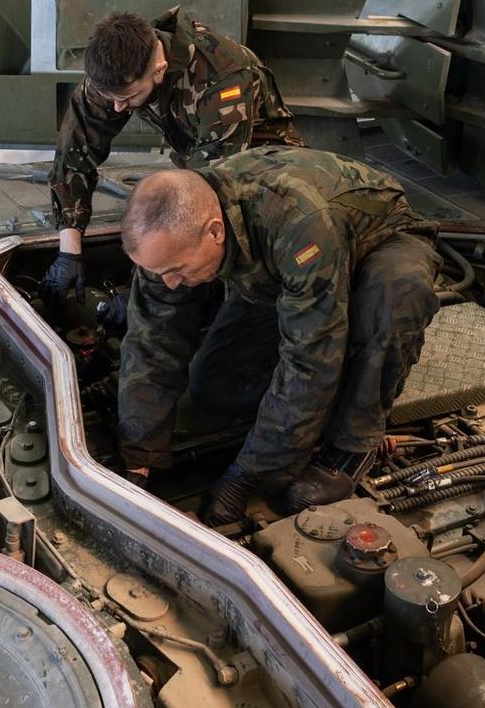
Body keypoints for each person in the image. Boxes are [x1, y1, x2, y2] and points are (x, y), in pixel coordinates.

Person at [117, 149, 441, 521]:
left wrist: (247, 474)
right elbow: (151, 340)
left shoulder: (297, 220)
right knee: (214, 387)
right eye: (161, 272)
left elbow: (310, 361)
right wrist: (140, 454)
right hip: (281, 277)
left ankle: (353, 444)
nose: (170, 282)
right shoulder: (165, 242)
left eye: (177, 270)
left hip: (380, 242)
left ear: (214, 232)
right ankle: (314, 408)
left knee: (394, 296)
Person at [45, 7, 302, 302]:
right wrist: (69, 248)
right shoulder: (117, 68)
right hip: (200, 160)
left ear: (159, 69)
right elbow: (74, 155)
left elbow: (205, 195)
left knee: (215, 287)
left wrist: (142, 291)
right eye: (111, 99)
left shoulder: (223, 77)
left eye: (127, 99)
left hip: (268, 181)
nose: (117, 108)